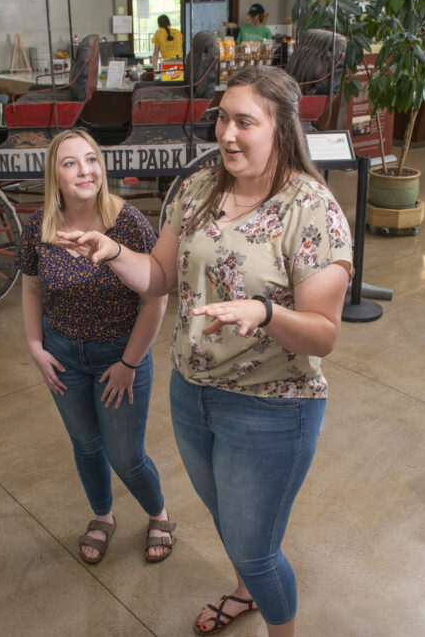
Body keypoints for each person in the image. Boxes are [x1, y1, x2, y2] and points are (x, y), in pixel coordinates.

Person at [58, 66, 352, 636]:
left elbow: (324, 334)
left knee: (257, 546)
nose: (227, 134)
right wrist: (112, 249)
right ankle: (244, 592)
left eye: (245, 122)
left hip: (272, 405)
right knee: (228, 520)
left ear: (281, 128)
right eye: (223, 118)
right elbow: (162, 275)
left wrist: (264, 312)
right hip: (192, 395)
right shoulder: (195, 190)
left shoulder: (310, 209)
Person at [18, 129, 174, 565]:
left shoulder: (128, 223)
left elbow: (155, 299)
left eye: (91, 160)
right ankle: (102, 517)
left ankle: (158, 514)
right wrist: (35, 344)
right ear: (55, 175)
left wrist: (129, 362)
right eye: (70, 163)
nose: (85, 171)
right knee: (85, 444)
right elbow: (31, 290)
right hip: (63, 355)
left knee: (126, 455)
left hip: (119, 355)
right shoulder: (40, 227)